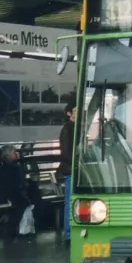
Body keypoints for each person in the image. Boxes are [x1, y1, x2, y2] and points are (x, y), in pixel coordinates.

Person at [0, 145, 37, 239]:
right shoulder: (11, 167)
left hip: (11, 192)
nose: (17, 154)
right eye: (14, 152)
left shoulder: (7, 165)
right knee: (24, 203)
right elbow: (15, 183)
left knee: (24, 202)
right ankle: (23, 229)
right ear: (8, 155)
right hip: (11, 193)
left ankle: (22, 228)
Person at [56, 100, 76, 243]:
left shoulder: (71, 128)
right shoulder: (69, 129)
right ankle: (68, 233)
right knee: (69, 202)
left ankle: (69, 232)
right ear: (69, 113)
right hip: (70, 169)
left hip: (70, 168)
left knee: (70, 201)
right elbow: (68, 152)